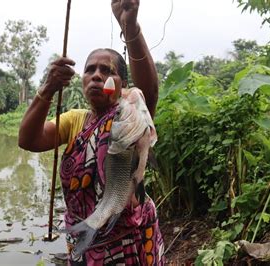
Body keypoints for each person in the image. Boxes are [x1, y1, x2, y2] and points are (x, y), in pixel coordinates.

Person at [18, 0, 164, 264]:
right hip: (84, 243)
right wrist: (48, 88)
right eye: (90, 70)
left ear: (122, 83)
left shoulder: (130, 109)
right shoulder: (74, 120)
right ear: (82, 80)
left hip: (129, 240)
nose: (97, 75)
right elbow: (28, 140)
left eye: (106, 71)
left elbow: (150, 90)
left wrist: (129, 26)